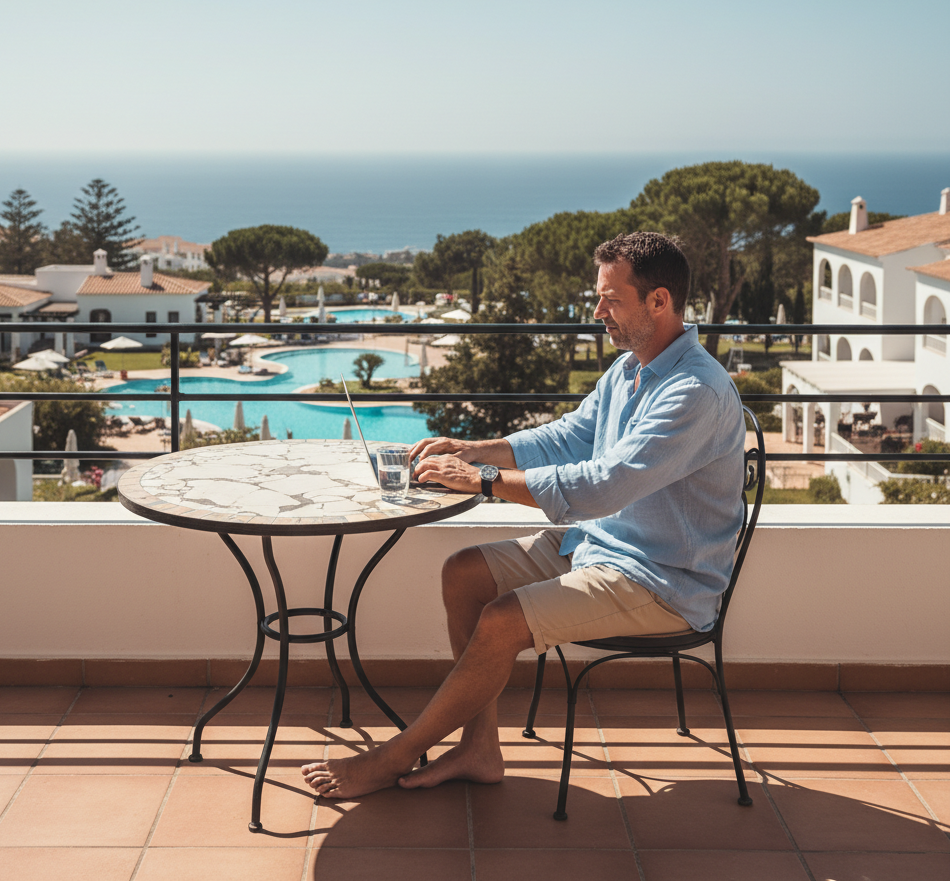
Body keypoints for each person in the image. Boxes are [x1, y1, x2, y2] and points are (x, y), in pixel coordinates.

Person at [302, 231, 745, 799]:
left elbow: (605, 487)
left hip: (662, 579)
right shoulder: (632, 368)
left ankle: (395, 755)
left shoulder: (693, 392)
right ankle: (479, 748)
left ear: (659, 302)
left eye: (610, 298)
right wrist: (474, 451)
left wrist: (484, 482)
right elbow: (570, 437)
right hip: (598, 547)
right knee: (464, 574)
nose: (596, 310)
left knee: (502, 619)